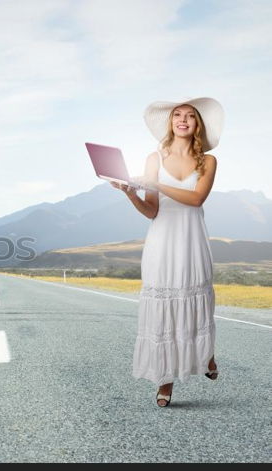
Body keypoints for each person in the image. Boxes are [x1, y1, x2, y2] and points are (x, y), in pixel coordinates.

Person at [110, 97, 224, 407]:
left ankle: (205, 357)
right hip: (161, 241)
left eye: (190, 115)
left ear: (197, 124)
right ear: (170, 122)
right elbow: (151, 211)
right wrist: (133, 192)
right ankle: (165, 380)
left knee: (196, 301)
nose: (183, 119)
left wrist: (156, 184)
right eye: (177, 114)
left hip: (192, 240)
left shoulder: (208, 162)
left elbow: (197, 198)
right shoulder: (153, 159)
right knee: (164, 311)